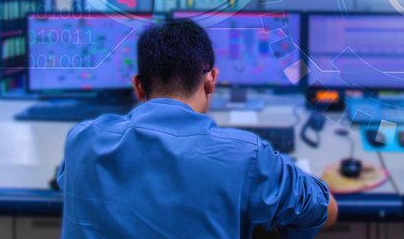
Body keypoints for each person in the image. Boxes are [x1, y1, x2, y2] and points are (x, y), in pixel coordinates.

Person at [57, 18, 338, 238]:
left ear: (138, 86)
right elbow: (325, 211)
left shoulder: (81, 140)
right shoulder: (246, 157)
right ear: (211, 80)